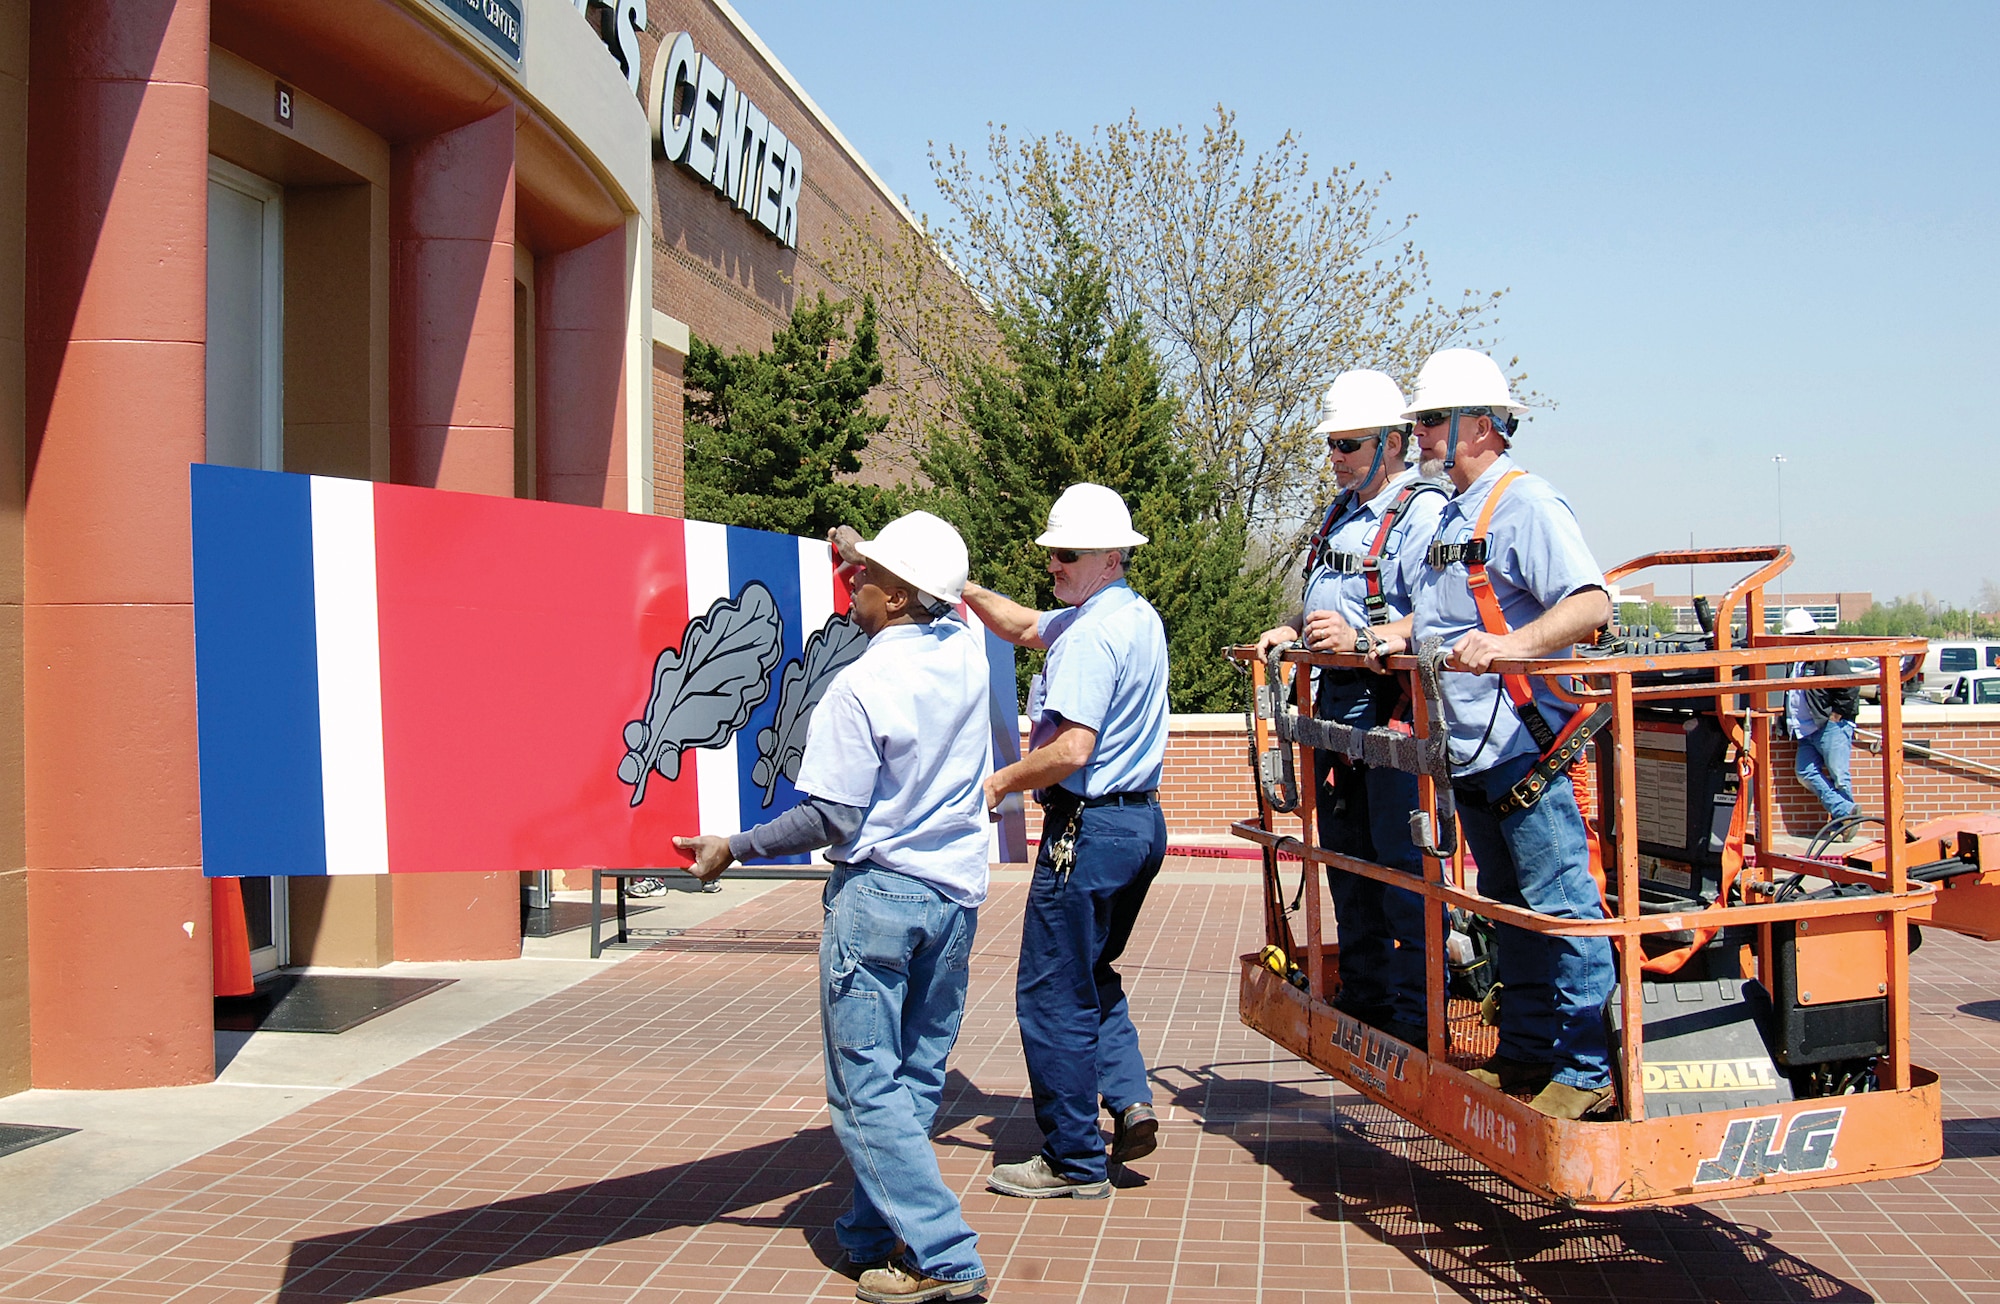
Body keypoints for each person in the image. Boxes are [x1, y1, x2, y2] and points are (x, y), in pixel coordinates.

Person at [674, 511, 991, 1304]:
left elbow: (831, 819)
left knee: (861, 1092)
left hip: (878, 899)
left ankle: (945, 1255)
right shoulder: (969, 656)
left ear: (900, 595)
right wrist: (862, 552)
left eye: (867, 575)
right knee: (912, 1080)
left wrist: (734, 845)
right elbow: (941, 600)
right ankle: (864, 1233)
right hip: (952, 899)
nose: (852, 580)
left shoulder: (861, 686)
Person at [1365, 349, 1617, 1121]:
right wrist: (1392, 633)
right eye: (1418, 421)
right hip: (1470, 751)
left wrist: (1514, 646)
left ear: (1482, 424)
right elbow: (1445, 619)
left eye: (1433, 420)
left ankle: (1585, 1068)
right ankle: (1527, 1059)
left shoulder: (1526, 504)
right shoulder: (1450, 512)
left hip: (1522, 748)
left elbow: (1590, 603)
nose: (1422, 435)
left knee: (1559, 907)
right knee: (1511, 910)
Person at [963, 483, 1170, 1200]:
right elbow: (1022, 626)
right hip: (1139, 825)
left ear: (1110, 556)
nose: (1053, 562)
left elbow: (1073, 748)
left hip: (1088, 829)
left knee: (1052, 993)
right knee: (1092, 971)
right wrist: (957, 585)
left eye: (1066, 553)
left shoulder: (1089, 636)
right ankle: (1129, 1096)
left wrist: (1000, 783)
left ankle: (1074, 1160)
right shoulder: (1131, 615)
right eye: (1052, 551)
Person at [1252, 370, 1446, 1048]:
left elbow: (1445, 617)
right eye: (1331, 445)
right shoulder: (1341, 513)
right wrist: (1297, 627)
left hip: (1393, 713)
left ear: (1392, 442)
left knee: (1402, 872)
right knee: (1348, 864)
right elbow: (1332, 602)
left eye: (1348, 443)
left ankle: (1423, 1023)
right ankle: (1368, 999)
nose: (1335, 457)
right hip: (1336, 713)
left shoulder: (1423, 512)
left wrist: (1368, 640)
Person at [1781, 607, 1861, 823]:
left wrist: (1837, 714)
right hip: (1806, 729)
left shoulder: (1826, 654)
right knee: (1805, 772)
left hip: (1829, 726)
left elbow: (1849, 686)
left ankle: (1845, 822)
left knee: (1839, 776)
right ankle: (1847, 812)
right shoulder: (1796, 660)